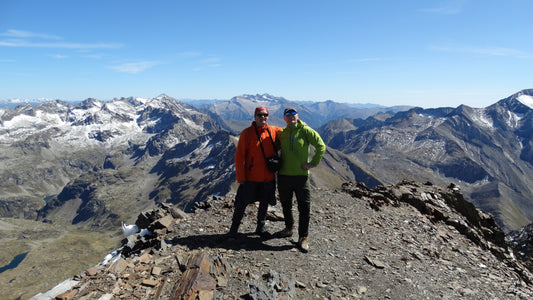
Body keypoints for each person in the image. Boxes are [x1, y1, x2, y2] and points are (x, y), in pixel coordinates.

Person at [276, 108, 326, 252]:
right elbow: (274, 147)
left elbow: (321, 146)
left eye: (293, 114)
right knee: (286, 205)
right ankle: (288, 228)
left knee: (304, 208)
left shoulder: (305, 130)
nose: (291, 116)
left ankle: (303, 238)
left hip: (301, 177)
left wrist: (312, 164)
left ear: (297, 116)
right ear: (284, 118)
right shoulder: (282, 133)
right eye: (288, 114)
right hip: (284, 175)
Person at [228, 106, 281, 238]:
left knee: (264, 204)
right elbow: (239, 156)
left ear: (268, 116)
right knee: (241, 204)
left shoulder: (274, 131)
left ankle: (260, 228)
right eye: (259, 115)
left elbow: (289, 130)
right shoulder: (247, 133)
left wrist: (300, 124)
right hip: (251, 177)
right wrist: (240, 177)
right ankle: (233, 230)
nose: (262, 117)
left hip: (268, 177)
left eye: (265, 115)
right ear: (255, 116)